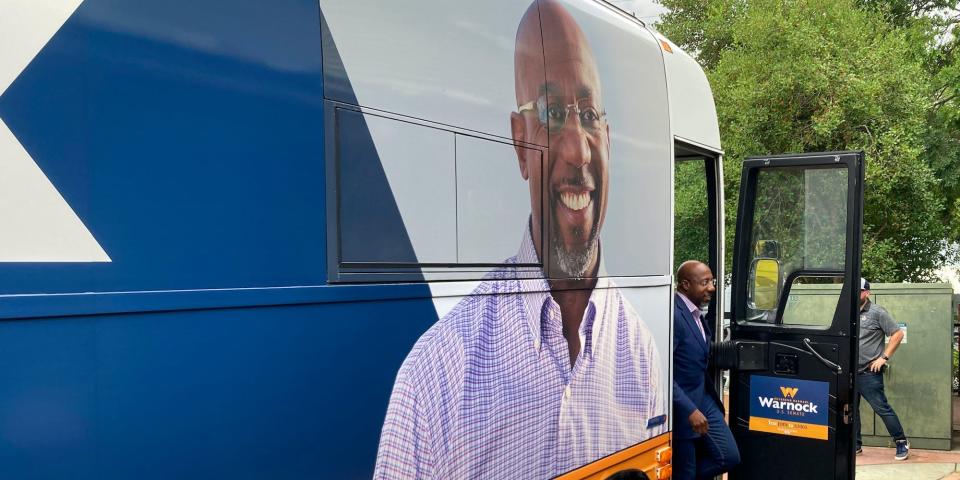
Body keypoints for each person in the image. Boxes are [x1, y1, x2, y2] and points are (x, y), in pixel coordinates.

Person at [374, 1, 665, 478]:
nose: (576, 148)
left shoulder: (638, 351)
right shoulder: (435, 376)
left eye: (589, 114)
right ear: (519, 142)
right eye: (550, 112)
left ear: (608, 139)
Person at [672, 260, 739, 479]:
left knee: (729, 456)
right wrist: (689, 410)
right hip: (683, 409)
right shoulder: (674, 315)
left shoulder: (696, 313)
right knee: (686, 471)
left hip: (704, 399)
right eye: (705, 282)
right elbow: (662, 372)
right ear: (685, 285)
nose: (712, 287)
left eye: (712, 281)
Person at [854, 278, 909, 460]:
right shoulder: (847, 312)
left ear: (867, 293)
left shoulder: (877, 312)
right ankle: (855, 445)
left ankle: (901, 442)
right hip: (849, 372)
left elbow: (898, 334)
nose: (856, 293)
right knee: (851, 410)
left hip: (869, 373)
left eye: (860, 290)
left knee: (882, 408)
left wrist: (883, 358)